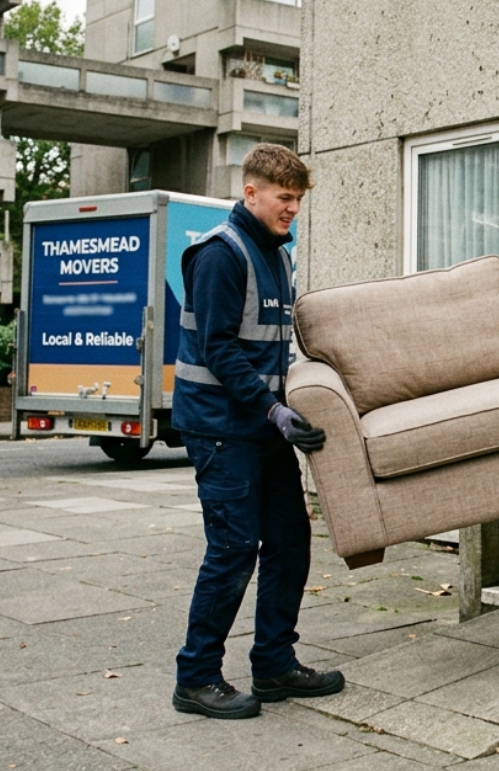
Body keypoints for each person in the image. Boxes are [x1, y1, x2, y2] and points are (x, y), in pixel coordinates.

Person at [170, 143, 344, 719]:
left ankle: (273, 663)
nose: (293, 208)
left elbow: (271, 348)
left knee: (290, 541)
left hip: (264, 424)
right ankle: (196, 677)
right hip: (221, 427)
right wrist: (273, 411)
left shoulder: (277, 256)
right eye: (283, 197)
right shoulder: (220, 254)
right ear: (251, 193)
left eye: (298, 199)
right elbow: (219, 348)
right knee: (234, 547)